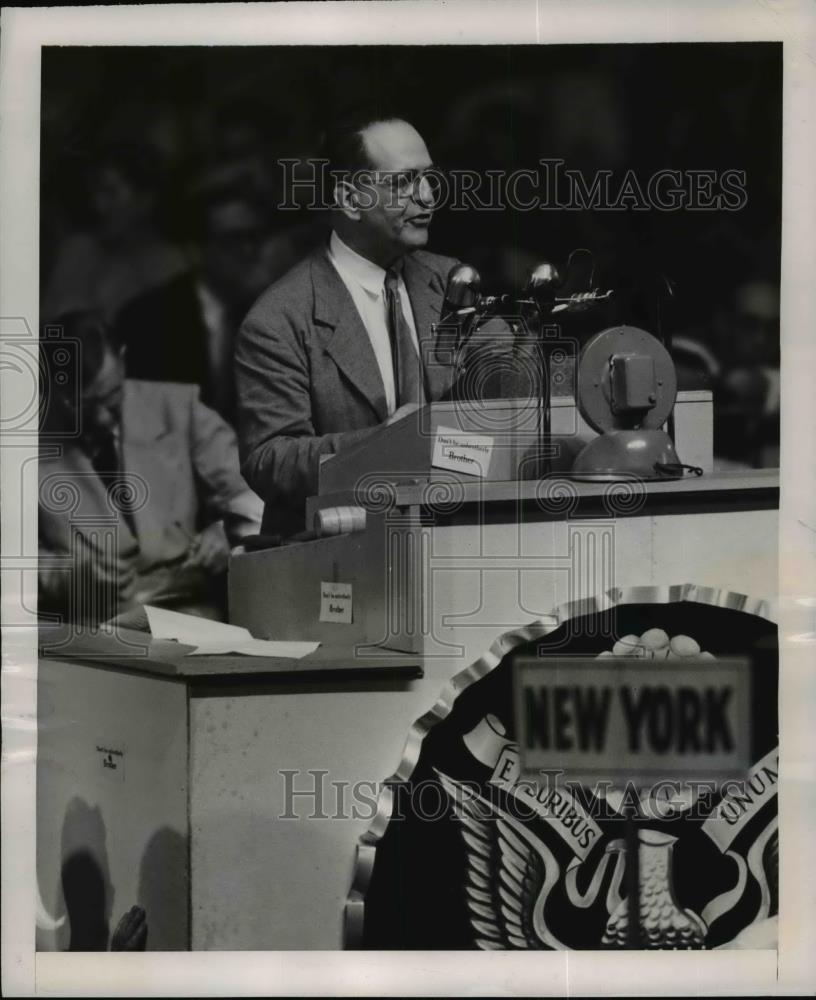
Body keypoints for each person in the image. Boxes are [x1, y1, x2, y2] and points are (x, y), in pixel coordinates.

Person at [234, 113, 460, 537]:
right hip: (339, 553)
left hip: (455, 537)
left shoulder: (452, 284)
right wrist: (382, 446)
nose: (428, 196)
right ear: (350, 200)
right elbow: (269, 460)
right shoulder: (279, 319)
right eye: (403, 182)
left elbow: (508, 402)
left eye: (429, 179)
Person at [38, 311, 263, 625]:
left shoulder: (179, 408)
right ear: (54, 393)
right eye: (85, 407)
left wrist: (229, 533)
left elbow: (253, 494)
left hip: (191, 611)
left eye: (112, 396)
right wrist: (71, 578)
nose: (103, 419)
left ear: (123, 359)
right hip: (88, 628)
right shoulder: (23, 447)